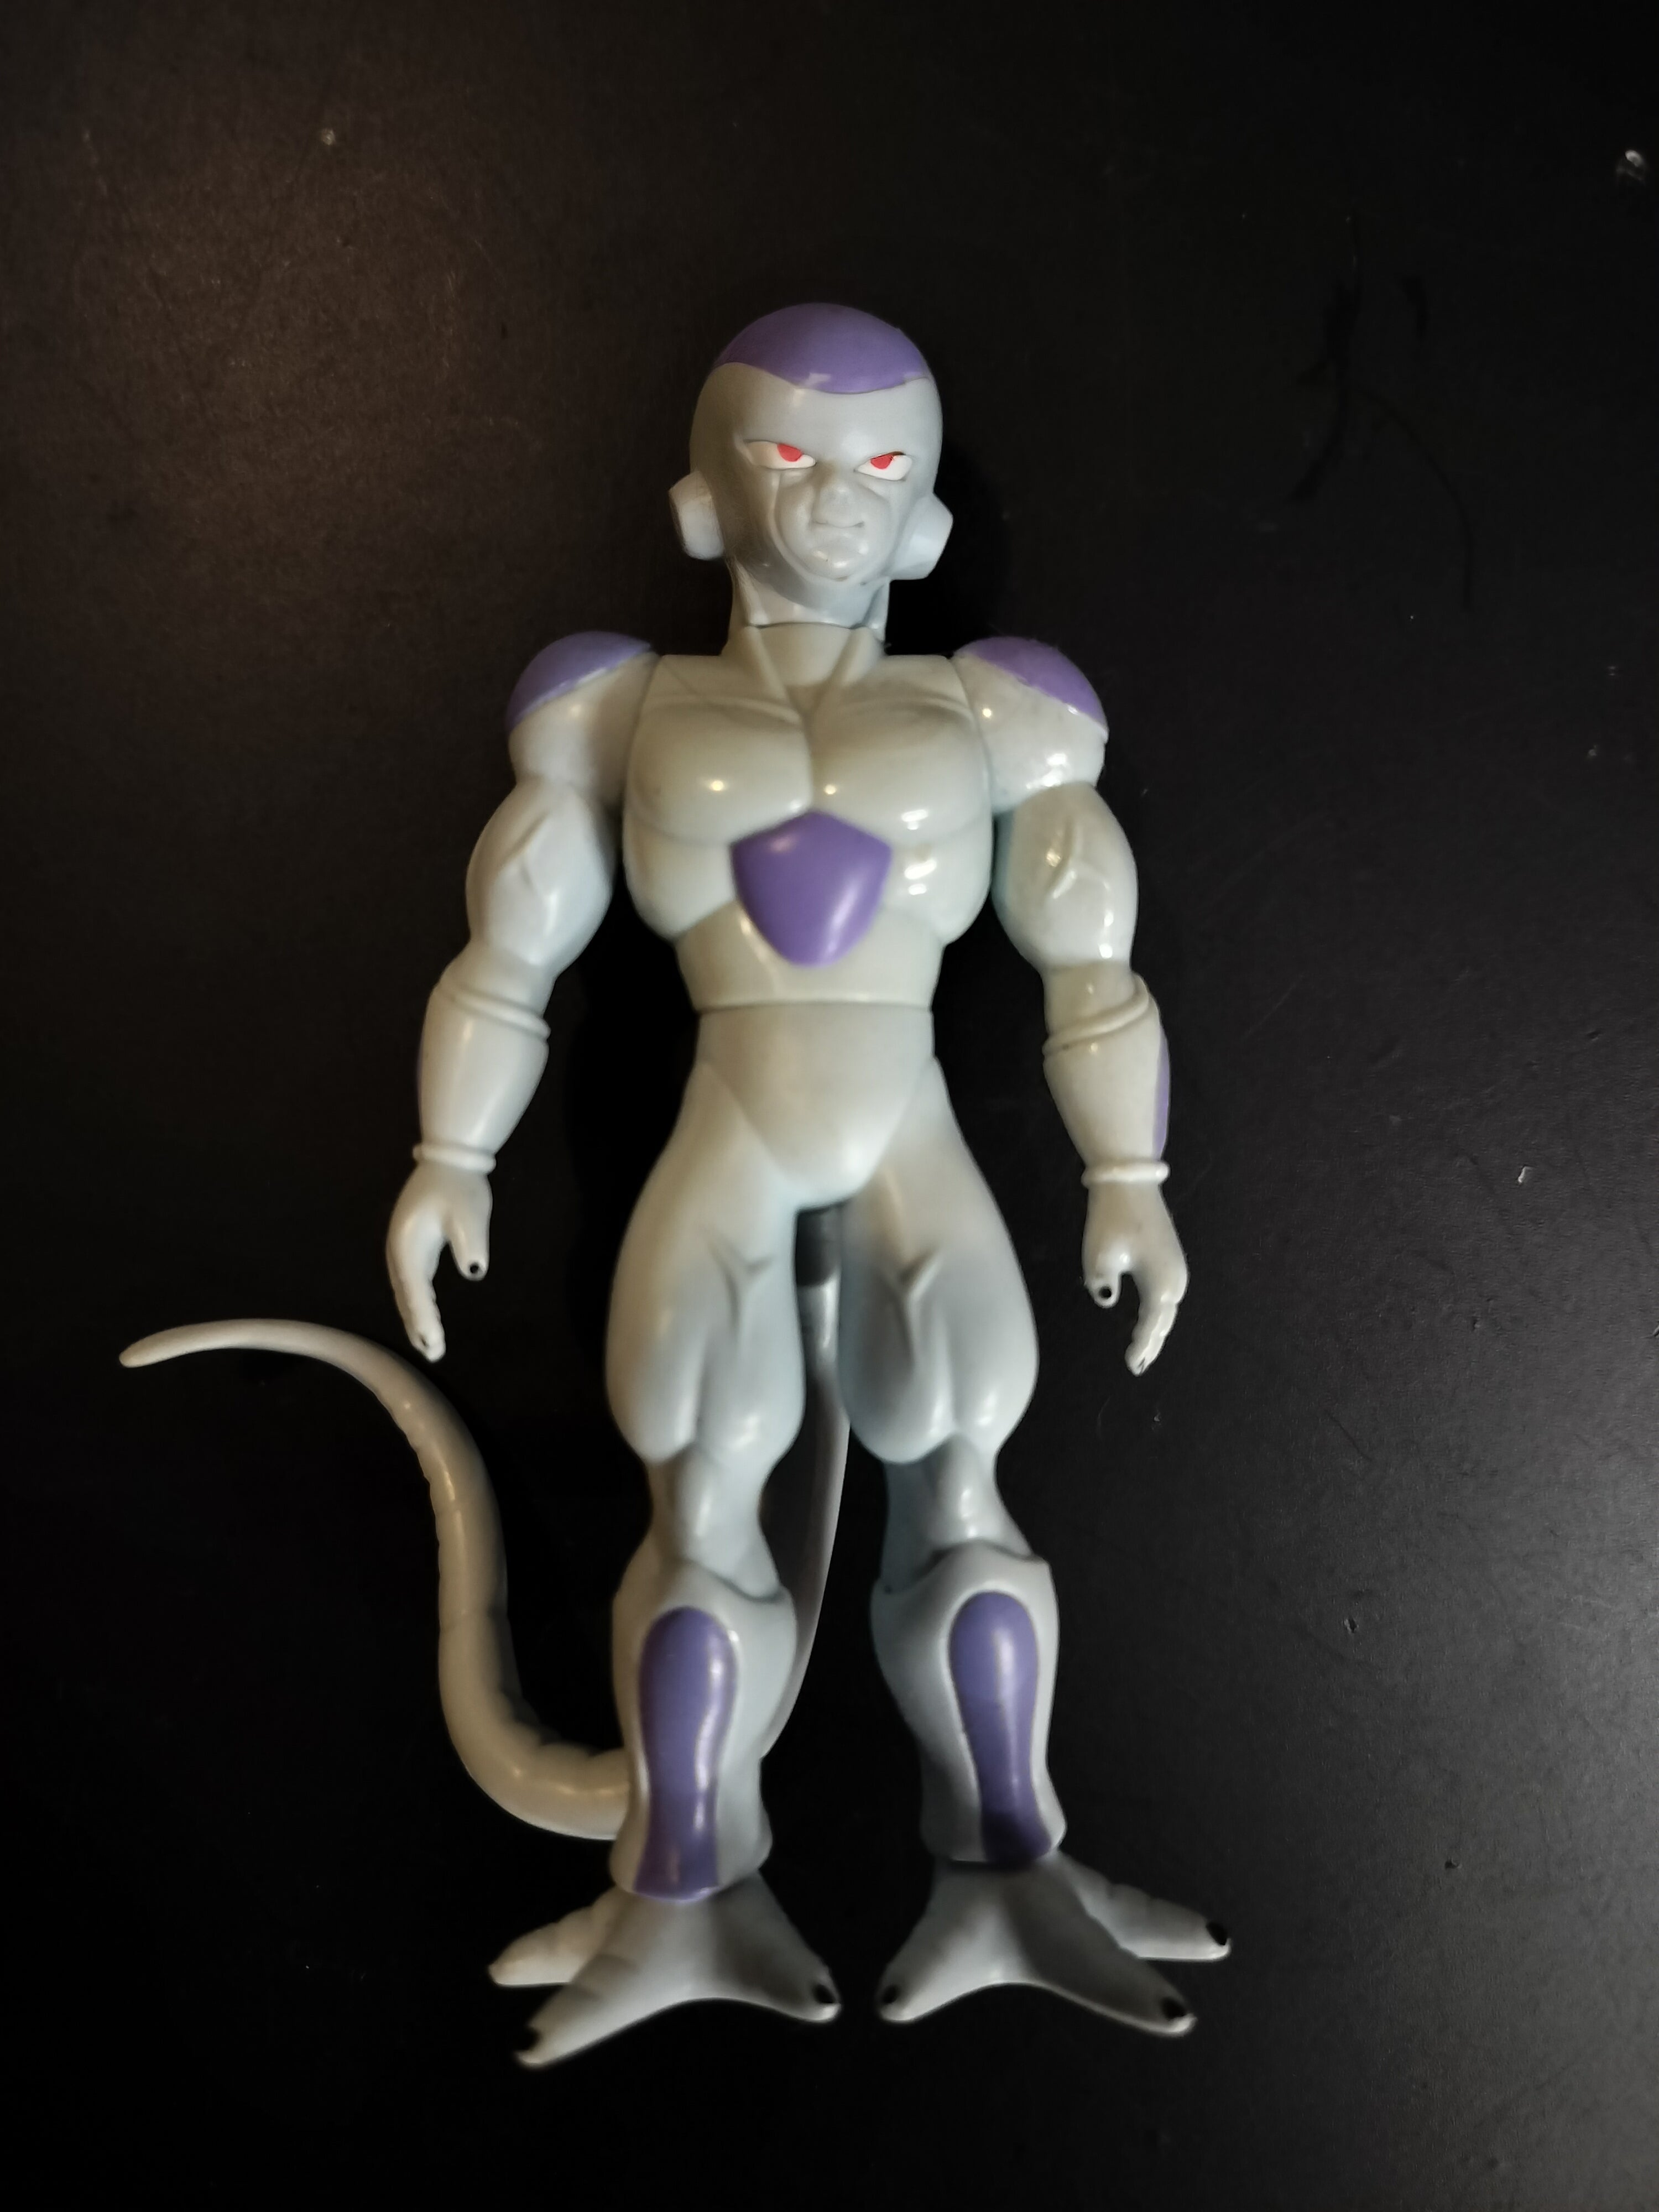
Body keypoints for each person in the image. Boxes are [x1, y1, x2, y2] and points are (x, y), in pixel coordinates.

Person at [384, 302, 1227, 2063]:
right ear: (705, 498)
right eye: (787, 454)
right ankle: (680, 1878)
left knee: (966, 1477)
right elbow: (508, 954)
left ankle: (1008, 1863)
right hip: (733, 1121)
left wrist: (1131, 1172)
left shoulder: (999, 713)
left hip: (908, 1126)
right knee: (701, 1497)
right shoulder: (617, 709)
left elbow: (1094, 965)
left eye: (878, 463)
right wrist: (449, 1156)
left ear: (925, 517)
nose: (834, 496)